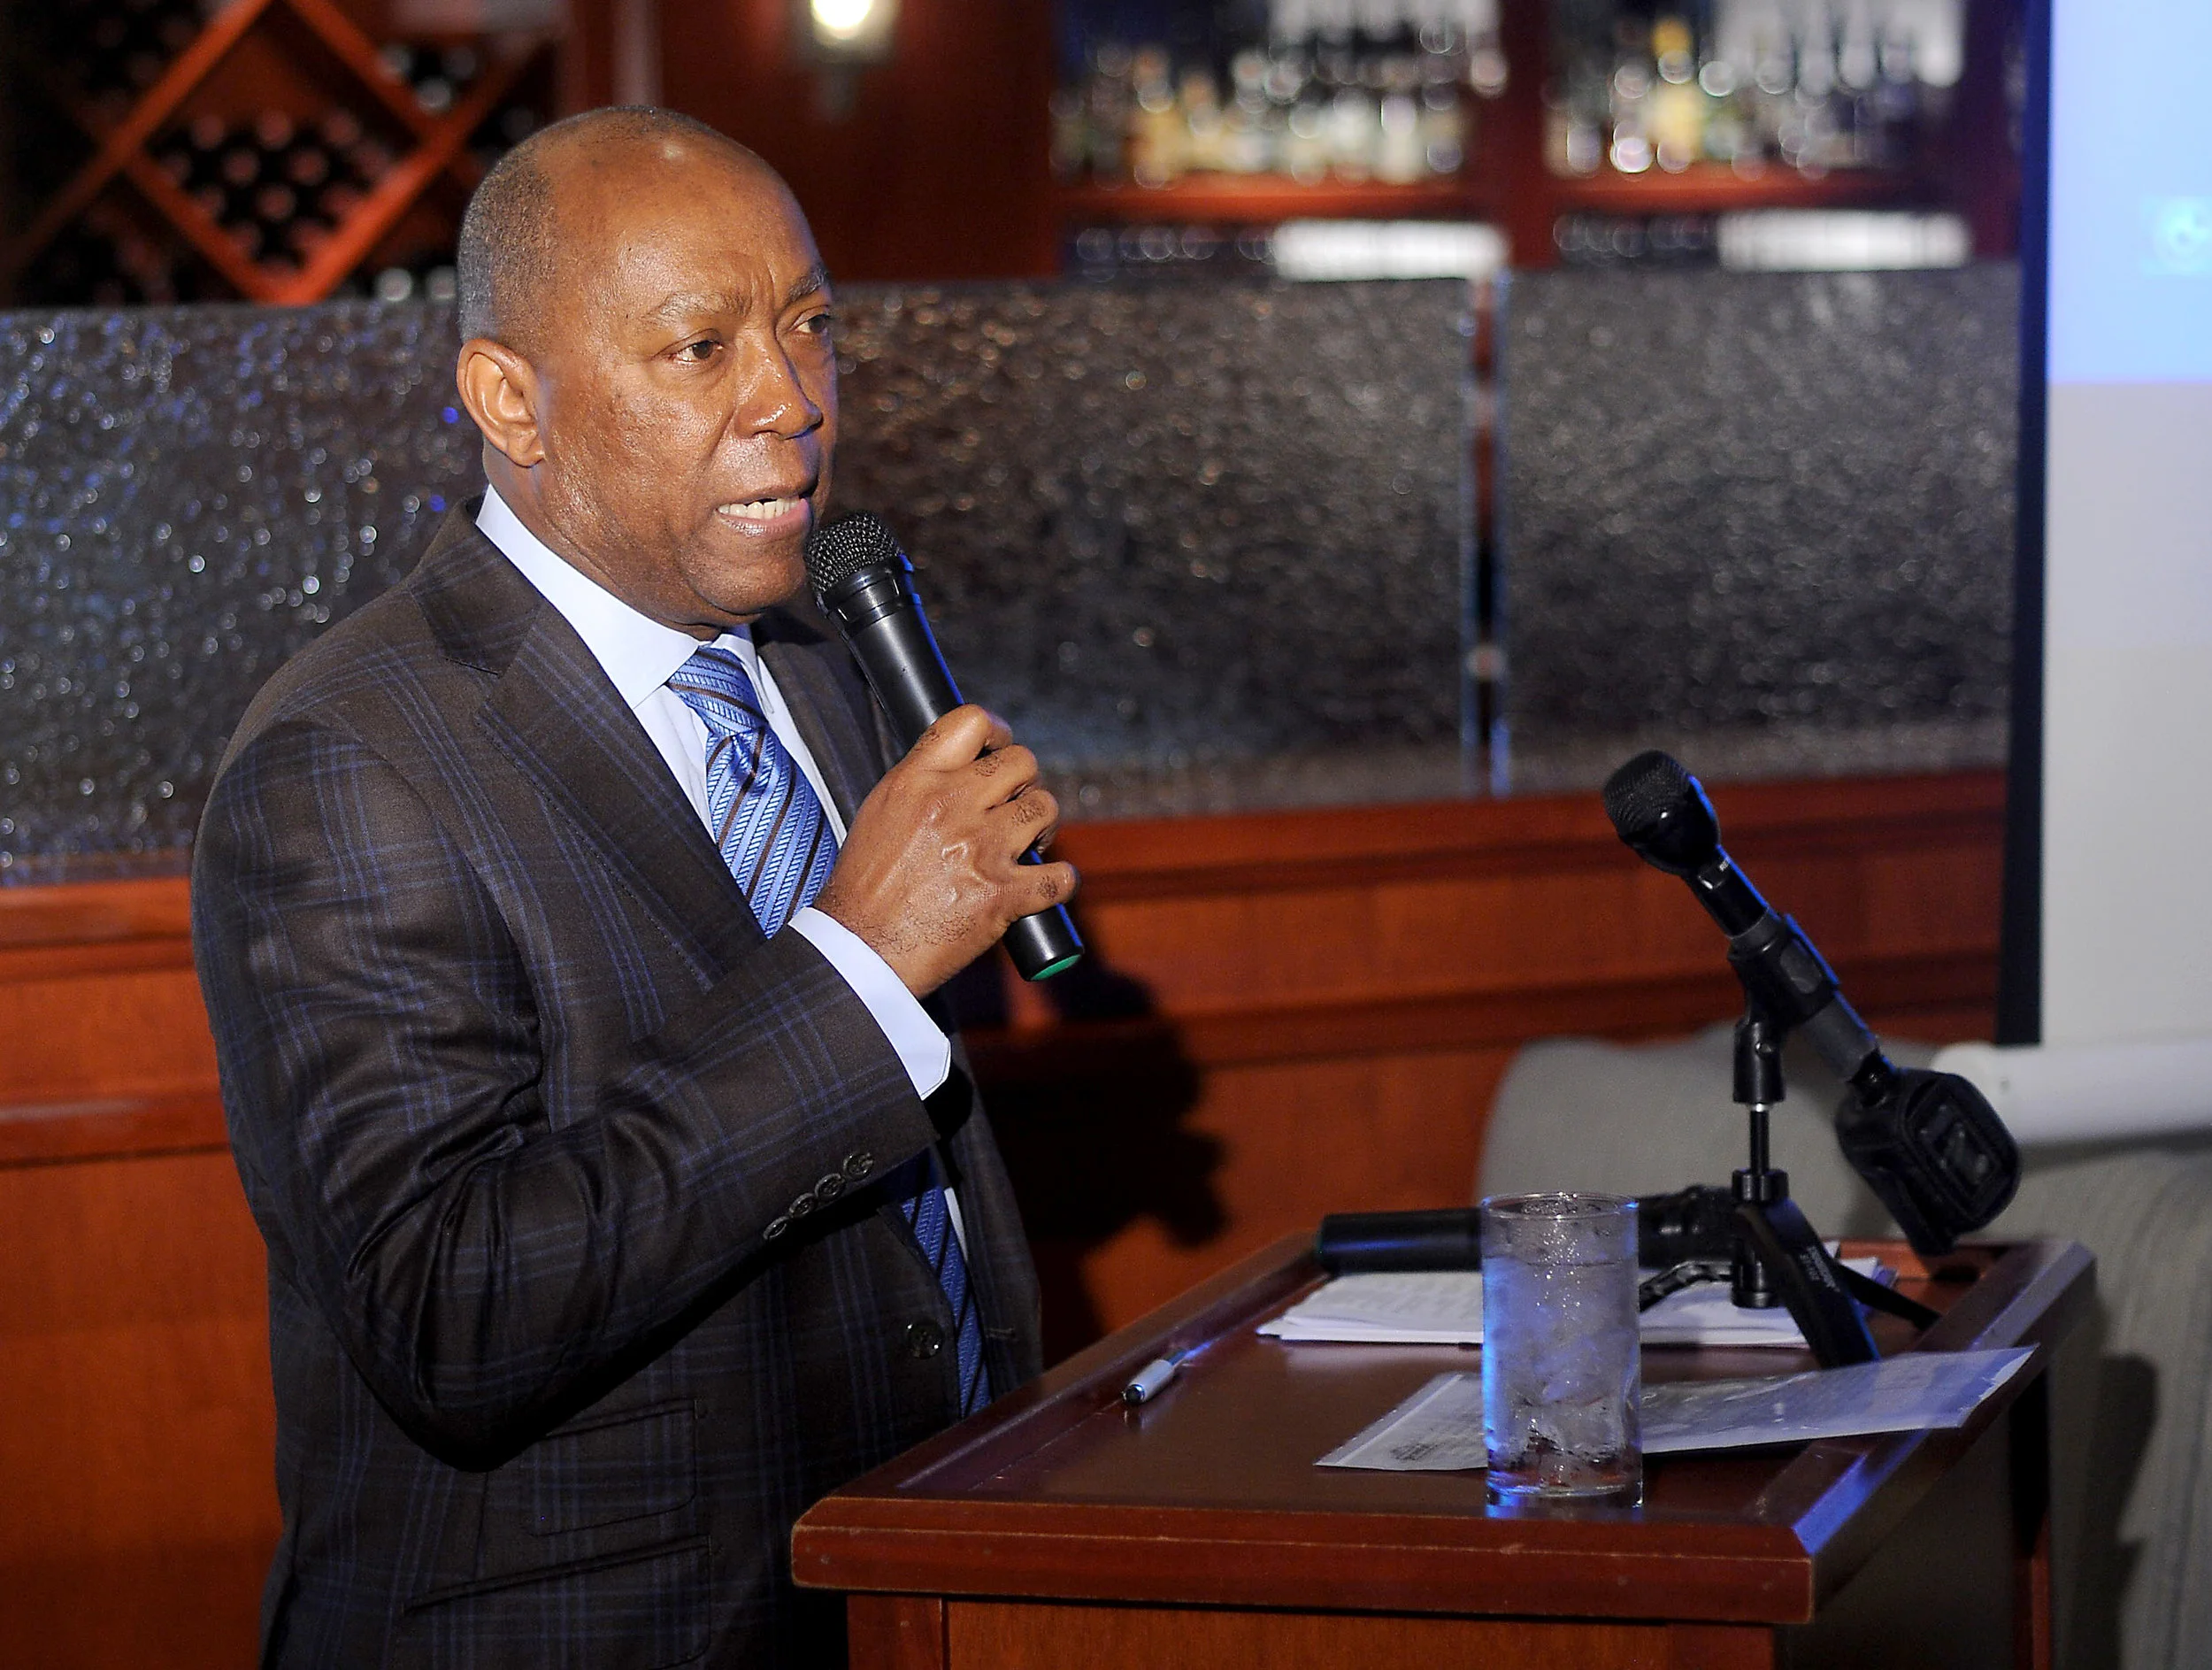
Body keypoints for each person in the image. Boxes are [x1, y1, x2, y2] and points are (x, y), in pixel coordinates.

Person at [190, 105, 1072, 1668]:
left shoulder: (827, 659)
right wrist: (861, 967)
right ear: (508, 399)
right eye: (700, 348)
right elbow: (451, 1309)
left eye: (809, 327)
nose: (791, 401)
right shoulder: (347, 762)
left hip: (904, 1583)